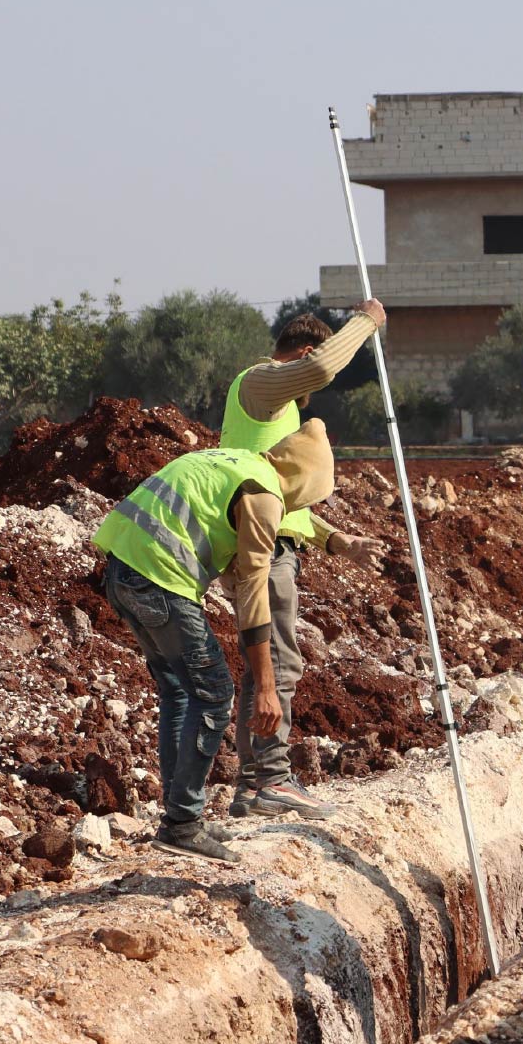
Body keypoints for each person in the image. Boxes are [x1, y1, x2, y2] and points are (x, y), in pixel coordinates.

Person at [91, 422, 336, 862]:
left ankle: (179, 815)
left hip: (121, 570)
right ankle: (183, 824)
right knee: (215, 693)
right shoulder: (263, 496)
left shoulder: (231, 461)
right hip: (159, 581)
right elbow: (253, 597)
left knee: (178, 692)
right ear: (304, 481)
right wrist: (265, 687)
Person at [219, 301, 391, 821]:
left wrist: (338, 541)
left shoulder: (280, 410)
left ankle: (254, 788)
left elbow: (282, 497)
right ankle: (270, 779)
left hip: (274, 542)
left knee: (264, 668)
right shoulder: (262, 385)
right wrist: (365, 322)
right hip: (261, 550)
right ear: (305, 350)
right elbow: (318, 368)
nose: (313, 388)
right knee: (279, 664)